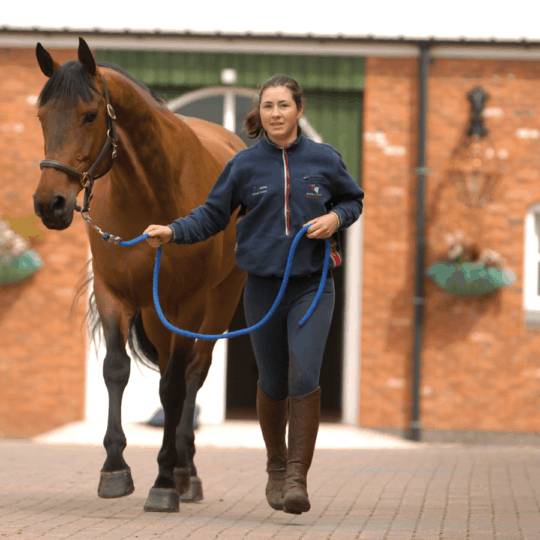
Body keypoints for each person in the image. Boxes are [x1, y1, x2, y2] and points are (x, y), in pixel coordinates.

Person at [144, 75, 364, 515]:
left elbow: (353, 200)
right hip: (262, 286)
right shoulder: (244, 166)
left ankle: (297, 478)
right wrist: (172, 230)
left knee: (305, 375)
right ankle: (275, 466)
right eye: (268, 106)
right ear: (259, 113)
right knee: (273, 381)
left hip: (313, 283)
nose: (276, 113)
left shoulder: (324, 159)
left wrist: (336, 219)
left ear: (299, 110)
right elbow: (211, 216)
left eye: (284, 105)